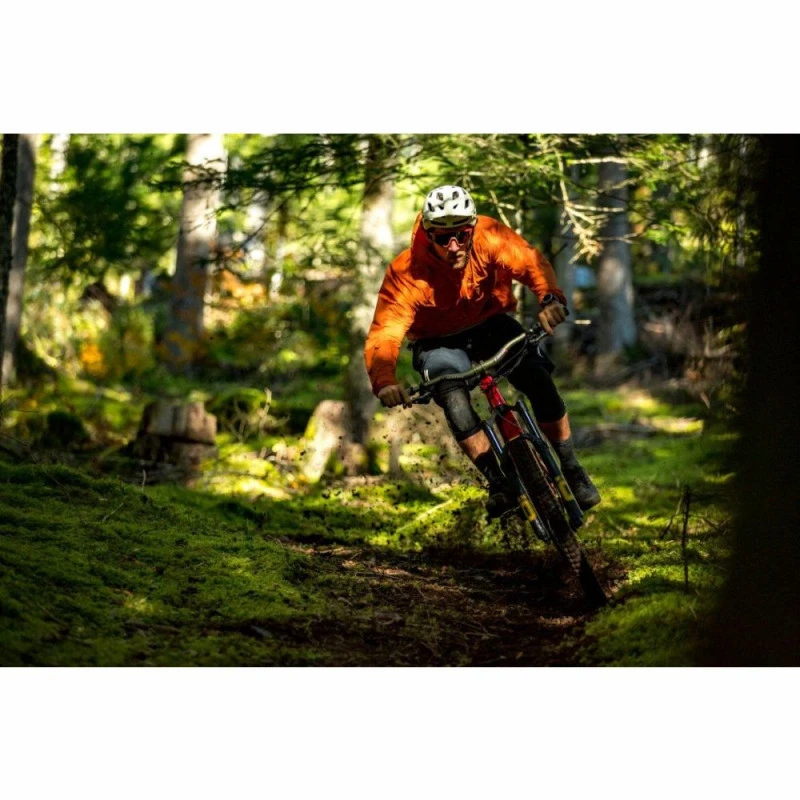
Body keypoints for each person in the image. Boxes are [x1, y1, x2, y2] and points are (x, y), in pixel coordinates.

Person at [364, 185, 600, 516]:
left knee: (538, 379)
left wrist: (550, 299)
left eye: (461, 235)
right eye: (443, 238)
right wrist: (385, 381)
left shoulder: (490, 235)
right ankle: (498, 482)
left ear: (472, 228)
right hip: (437, 341)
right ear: (428, 235)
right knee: (453, 397)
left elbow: (529, 262)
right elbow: (385, 332)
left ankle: (571, 466)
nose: (454, 246)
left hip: (490, 322)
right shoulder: (407, 271)